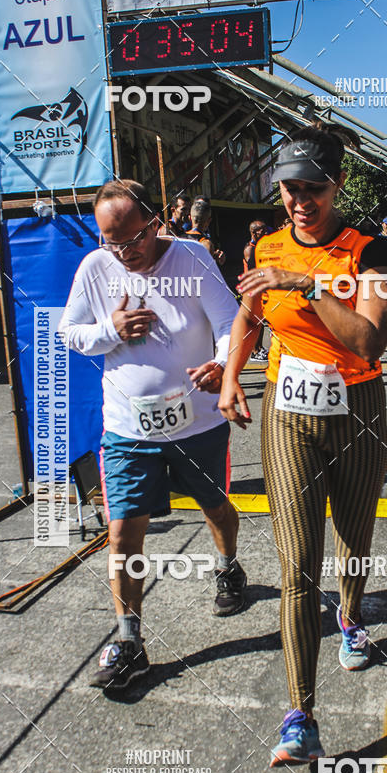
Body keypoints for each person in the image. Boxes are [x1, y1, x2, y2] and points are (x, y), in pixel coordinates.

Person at [218, 125, 387, 765]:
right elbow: (249, 314)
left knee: (353, 539)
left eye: (312, 189)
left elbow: (368, 342)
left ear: (337, 186)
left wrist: (307, 285)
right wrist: (231, 376)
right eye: (290, 189)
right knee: (296, 565)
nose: (299, 201)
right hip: (287, 413)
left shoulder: (369, 252)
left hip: (357, 411)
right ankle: (301, 716)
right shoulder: (265, 247)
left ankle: (351, 616)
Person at [60, 179, 248, 691]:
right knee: (122, 533)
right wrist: (112, 330)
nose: (124, 252)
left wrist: (221, 365)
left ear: (156, 221)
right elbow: (70, 332)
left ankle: (228, 566)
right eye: (111, 241)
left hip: (198, 421)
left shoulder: (192, 258)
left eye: (134, 238)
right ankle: (129, 641)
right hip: (127, 427)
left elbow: (230, 322)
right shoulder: (95, 268)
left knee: (215, 507)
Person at [243, 220, 269, 363]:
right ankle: (254, 350)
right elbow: (253, 268)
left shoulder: (260, 246)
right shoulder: (250, 248)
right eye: (262, 230)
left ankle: (259, 347)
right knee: (255, 320)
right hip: (252, 288)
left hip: (260, 286)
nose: (265, 231)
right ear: (254, 232)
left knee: (261, 320)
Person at [187, 199, 226, 267]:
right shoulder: (206, 244)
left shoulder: (178, 238)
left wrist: (213, 255)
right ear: (209, 220)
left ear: (189, 218)